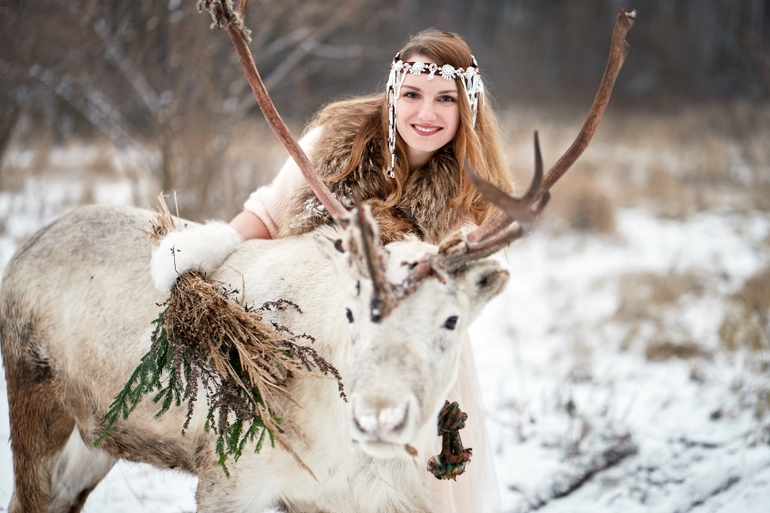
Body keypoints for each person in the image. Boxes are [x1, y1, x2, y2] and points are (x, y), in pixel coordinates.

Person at [152, 29, 512, 512]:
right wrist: (217, 245)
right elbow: (269, 213)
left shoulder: (472, 192)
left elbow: (475, 279)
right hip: (313, 343)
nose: (426, 114)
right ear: (393, 93)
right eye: (412, 95)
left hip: (411, 361)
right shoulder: (333, 143)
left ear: (466, 104)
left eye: (445, 98)